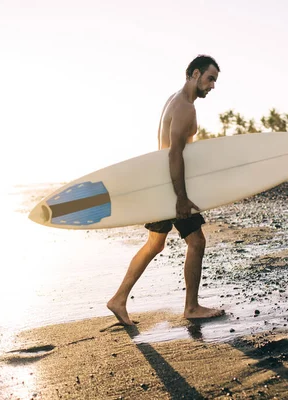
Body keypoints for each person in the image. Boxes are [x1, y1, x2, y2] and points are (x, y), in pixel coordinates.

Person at [107, 55, 224, 325]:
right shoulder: (185, 108)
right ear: (195, 74)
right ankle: (192, 307)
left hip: (162, 183)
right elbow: (175, 155)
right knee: (197, 242)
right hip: (173, 186)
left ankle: (119, 299)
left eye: (215, 81)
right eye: (210, 79)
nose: (212, 86)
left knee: (154, 244)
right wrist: (181, 198)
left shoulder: (174, 99)